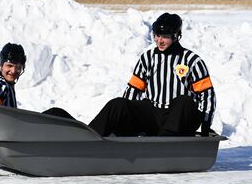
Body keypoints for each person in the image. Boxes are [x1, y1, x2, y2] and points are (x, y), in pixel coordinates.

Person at [88, 13, 216, 137]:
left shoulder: (192, 60)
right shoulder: (147, 58)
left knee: (184, 101)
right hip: (153, 115)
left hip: (179, 119)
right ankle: (86, 138)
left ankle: (163, 141)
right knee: (118, 104)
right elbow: (134, 89)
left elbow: (207, 95)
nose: (159, 40)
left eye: (164, 36)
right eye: (156, 35)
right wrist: (126, 114)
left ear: (176, 36)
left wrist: (205, 126)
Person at [0, 43, 73, 118]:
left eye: (18, 67)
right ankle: (85, 138)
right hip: (10, 138)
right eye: (9, 65)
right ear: (1, 65)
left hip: (7, 133)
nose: (14, 71)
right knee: (56, 113)